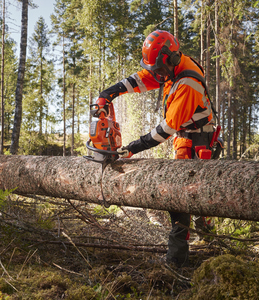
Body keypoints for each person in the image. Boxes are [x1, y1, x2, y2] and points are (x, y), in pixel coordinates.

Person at [93, 29, 219, 268]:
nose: (158, 76)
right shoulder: (169, 68)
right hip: (185, 138)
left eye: (160, 71)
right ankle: (209, 240)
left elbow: (167, 128)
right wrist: (108, 94)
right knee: (194, 195)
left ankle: (177, 260)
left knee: (182, 196)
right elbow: (141, 79)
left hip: (199, 142)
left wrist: (132, 148)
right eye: (155, 71)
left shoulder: (188, 83)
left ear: (171, 60)